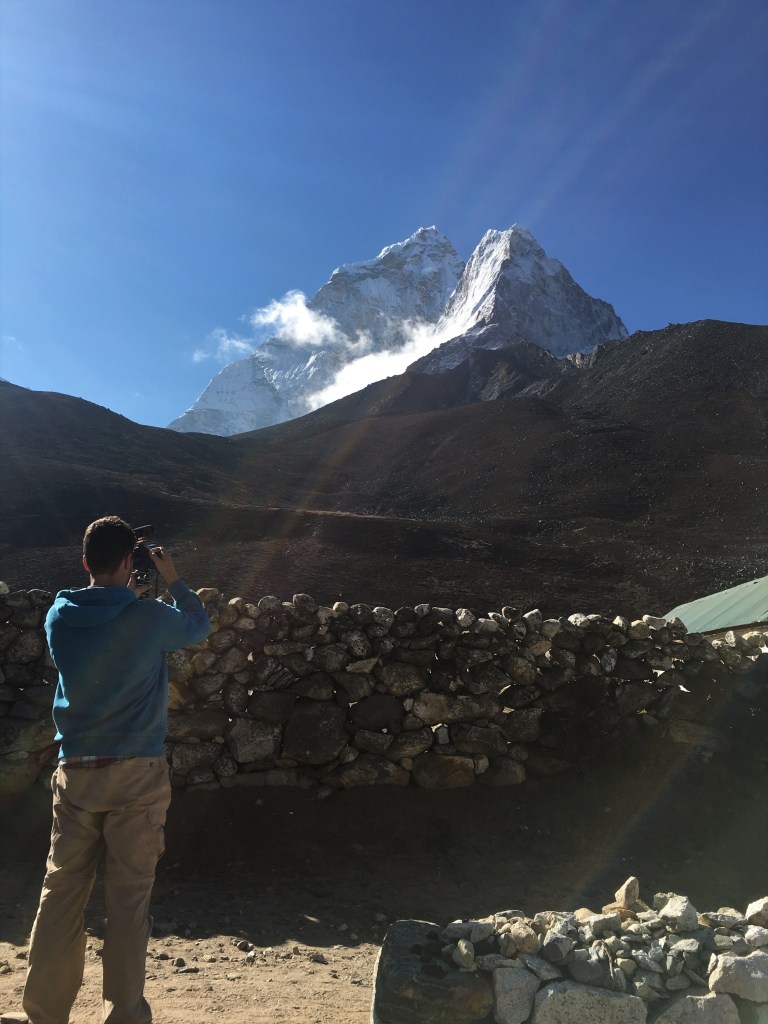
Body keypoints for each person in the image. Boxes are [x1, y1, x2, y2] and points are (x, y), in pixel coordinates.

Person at [22, 516, 211, 1024]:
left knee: (61, 891)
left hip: (77, 769)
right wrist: (171, 578)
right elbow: (197, 625)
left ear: (85, 561)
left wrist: (126, 587)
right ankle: (124, 1014)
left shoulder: (59, 616)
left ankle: (45, 1012)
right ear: (132, 561)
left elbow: (96, 608)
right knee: (127, 902)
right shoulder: (148, 616)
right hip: (137, 774)